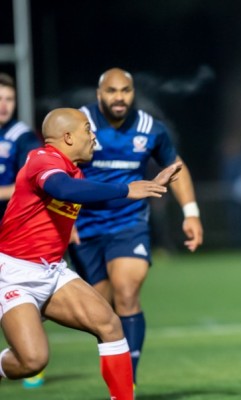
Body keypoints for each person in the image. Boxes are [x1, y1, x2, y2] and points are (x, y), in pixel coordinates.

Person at [0, 108, 181, 399]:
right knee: (33, 361)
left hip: (52, 271)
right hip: (14, 274)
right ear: (68, 137)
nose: (93, 135)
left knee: (110, 325)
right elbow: (64, 189)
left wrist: (147, 188)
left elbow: (91, 199)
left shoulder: (74, 171)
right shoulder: (41, 159)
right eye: (87, 129)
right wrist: (126, 189)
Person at [67, 68, 204, 384]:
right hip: (84, 227)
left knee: (127, 293)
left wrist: (192, 213)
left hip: (129, 224)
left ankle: (126, 380)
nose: (119, 97)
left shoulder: (150, 128)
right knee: (99, 311)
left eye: (125, 91)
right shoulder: (78, 124)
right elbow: (58, 170)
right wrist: (62, 219)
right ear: (99, 94)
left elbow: (176, 168)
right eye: (112, 91)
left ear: (133, 93)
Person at [0, 73, 41, 219]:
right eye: (0, 98)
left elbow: (31, 185)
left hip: (10, 221)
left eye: (9, 99)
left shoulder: (24, 137)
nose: (4, 106)